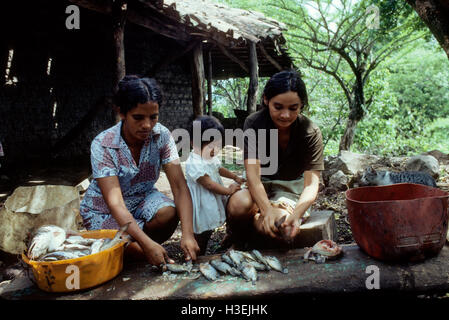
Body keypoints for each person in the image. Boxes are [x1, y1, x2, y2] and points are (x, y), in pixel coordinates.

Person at [80, 75, 200, 266]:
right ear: (121, 113)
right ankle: (138, 247)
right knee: (137, 255)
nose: (147, 125)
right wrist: (145, 245)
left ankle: (141, 245)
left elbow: (179, 187)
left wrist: (188, 234)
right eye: (138, 117)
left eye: (153, 117)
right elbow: (116, 204)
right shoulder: (103, 144)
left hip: (142, 199)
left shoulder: (162, 136)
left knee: (168, 213)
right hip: (104, 211)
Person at [225, 70, 324, 248]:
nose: (285, 115)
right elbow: (253, 177)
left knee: (280, 225)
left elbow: (311, 185)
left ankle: (251, 228)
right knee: (239, 205)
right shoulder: (254, 123)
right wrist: (267, 210)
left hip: (289, 192)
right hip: (259, 188)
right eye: (278, 107)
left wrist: (296, 214)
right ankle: (243, 232)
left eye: (293, 108)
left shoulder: (310, 131)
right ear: (265, 100)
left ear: (301, 105)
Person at [185, 115, 245, 255]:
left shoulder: (210, 157)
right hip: (202, 204)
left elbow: (219, 168)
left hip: (211, 200)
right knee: (201, 231)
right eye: (211, 146)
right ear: (194, 143)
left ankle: (211, 247)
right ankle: (196, 253)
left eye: (218, 146)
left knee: (210, 228)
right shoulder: (194, 162)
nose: (215, 150)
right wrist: (228, 190)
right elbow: (209, 185)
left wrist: (234, 176)